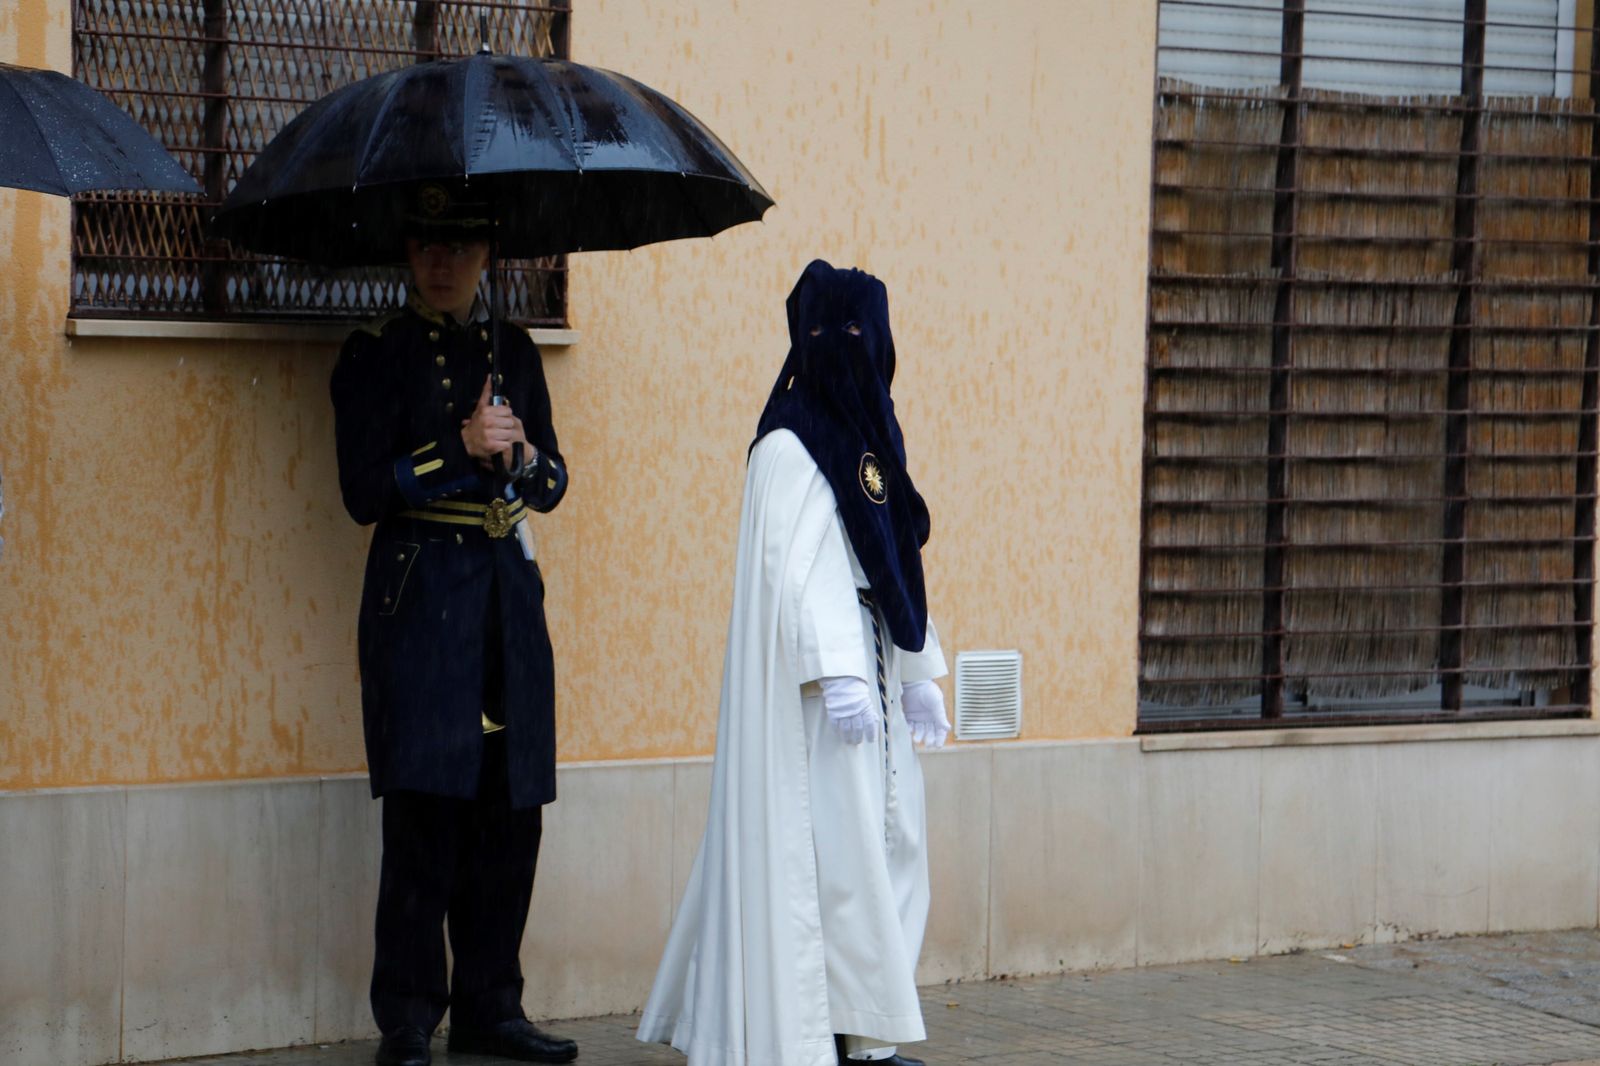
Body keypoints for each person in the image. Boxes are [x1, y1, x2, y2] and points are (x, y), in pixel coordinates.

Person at [637, 260, 952, 1066]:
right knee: (827, 864)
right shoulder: (788, 441)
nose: (849, 349)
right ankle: (816, 1034)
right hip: (818, 701)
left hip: (873, 676)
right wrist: (838, 665)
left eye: (862, 334)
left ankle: (867, 1034)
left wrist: (920, 670)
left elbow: (896, 559)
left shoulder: (875, 438)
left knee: (891, 847)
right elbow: (791, 567)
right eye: (833, 333)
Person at [329, 182, 577, 1066]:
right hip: (419, 601)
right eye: (428, 245)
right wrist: (455, 449)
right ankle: (406, 1021)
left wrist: (522, 454)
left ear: (485, 257)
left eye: (461, 247)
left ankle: (491, 1007)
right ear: (407, 254)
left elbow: (553, 487)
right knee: (425, 816)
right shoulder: (374, 356)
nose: (443, 263)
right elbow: (363, 491)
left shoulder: (516, 354)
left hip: (506, 601)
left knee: (510, 815)